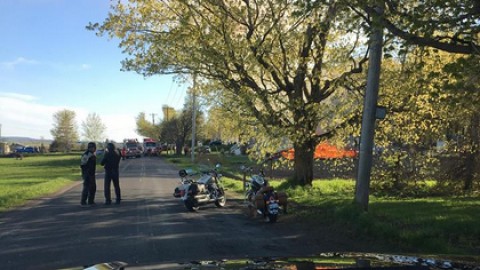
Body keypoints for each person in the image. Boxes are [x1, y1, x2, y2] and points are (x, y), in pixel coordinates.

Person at [80, 142, 97, 207]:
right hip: (87, 173)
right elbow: (82, 165)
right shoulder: (86, 155)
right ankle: (83, 201)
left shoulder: (92, 154)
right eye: (93, 148)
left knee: (93, 188)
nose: (94, 149)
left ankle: (91, 201)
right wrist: (86, 173)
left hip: (92, 173)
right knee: (86, 187)